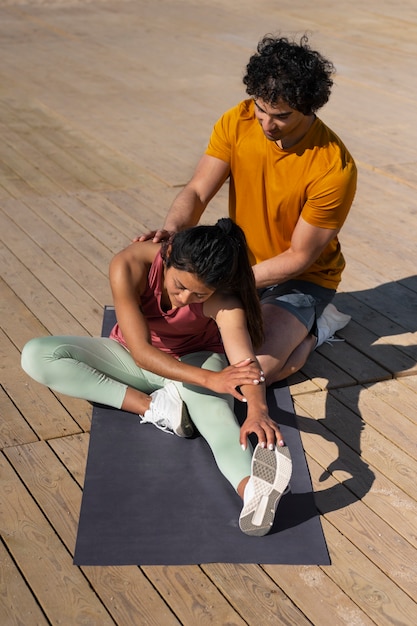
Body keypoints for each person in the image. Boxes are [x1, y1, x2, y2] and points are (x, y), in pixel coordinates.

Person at [21, 218, 292, 537]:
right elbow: (140, 351)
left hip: (197, 360)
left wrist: (258, 410)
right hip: (134, 357)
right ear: (168, 253)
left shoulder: (224, 300)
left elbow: (243, 361)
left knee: (217, 421)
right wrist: (210, 381)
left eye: (198, 295)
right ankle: (154, 407)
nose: (184, 299)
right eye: (180, 286)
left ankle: (252, 493)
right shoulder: (130, 263)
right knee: (36, 354)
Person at [138, 34, 357, 384]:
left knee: (251, 374)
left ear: (310, 107)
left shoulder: (334, 167)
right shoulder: (238, 120)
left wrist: (226, 283)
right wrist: (173, 233)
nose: (267, 125)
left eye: (281, 116)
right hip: (235, 267)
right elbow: (196, 190)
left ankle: (317, 328)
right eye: (261, 109)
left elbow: (300, 257)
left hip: (301, 280)